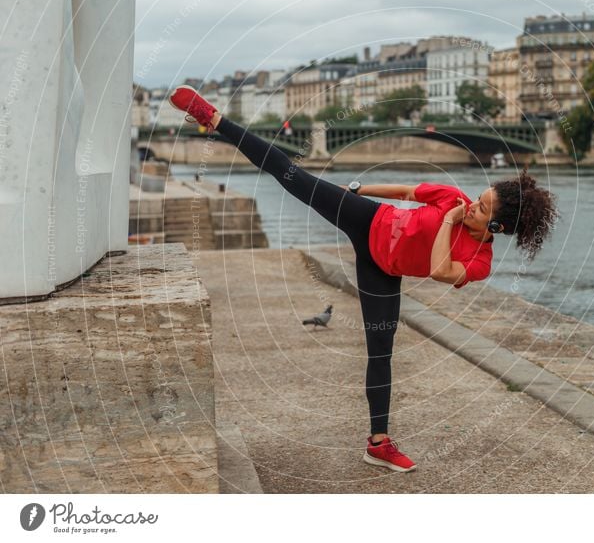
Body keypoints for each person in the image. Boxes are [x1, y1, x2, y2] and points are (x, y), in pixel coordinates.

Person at [168, 86, 558, 472]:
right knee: (290, 175)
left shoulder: (479, 259)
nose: (471, 204)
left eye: (481, 209)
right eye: (479, 197)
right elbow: (407, 190)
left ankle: (378, 443)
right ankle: (215, 119)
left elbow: (441, 270)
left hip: (382, 270)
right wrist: (355, 189)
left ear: (497, 225)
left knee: (381, 351)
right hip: (369, 218)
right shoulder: (453, 197)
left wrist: (450, 222)